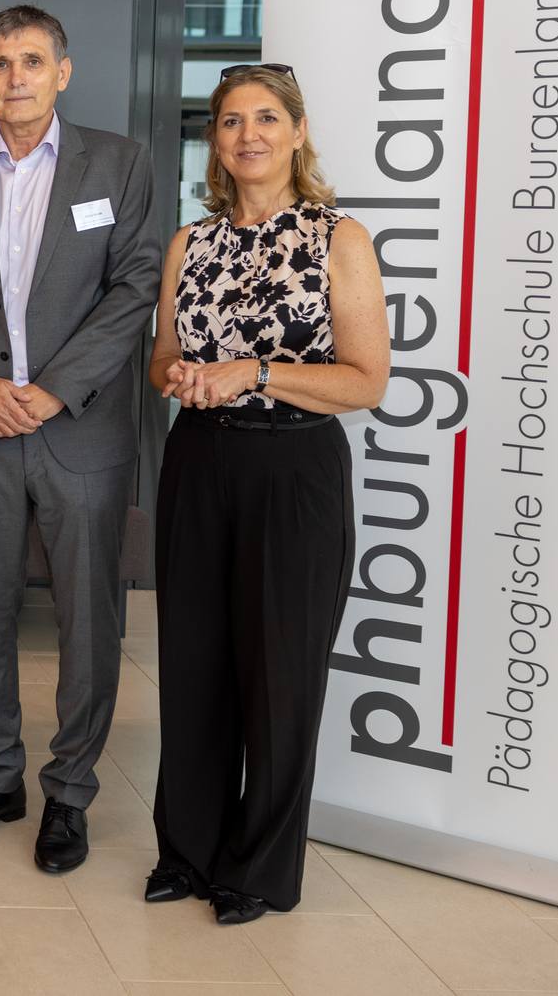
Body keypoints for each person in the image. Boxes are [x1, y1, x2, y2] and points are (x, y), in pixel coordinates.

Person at [0, 4, 160, 875]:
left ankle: (70, 792)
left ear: (63, 71)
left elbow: (136, 287)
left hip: (78, 428)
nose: (14, 76)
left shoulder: (120, 163)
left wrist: (54, 389)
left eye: (30, 60)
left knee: (87, 622)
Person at [144, 64, 388, 924]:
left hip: (294, 471)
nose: (248, 135)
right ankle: (188, 850)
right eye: (231, 121)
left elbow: (366, 381)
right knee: (194, 665)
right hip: (198, 463)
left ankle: (258, 868)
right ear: (214, 140)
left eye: (266, 118)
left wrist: (253, 371)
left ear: (296, 131)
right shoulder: (189, 243)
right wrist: (180, 375)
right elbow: (161, 357)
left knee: (280, 674)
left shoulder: (338, 238)